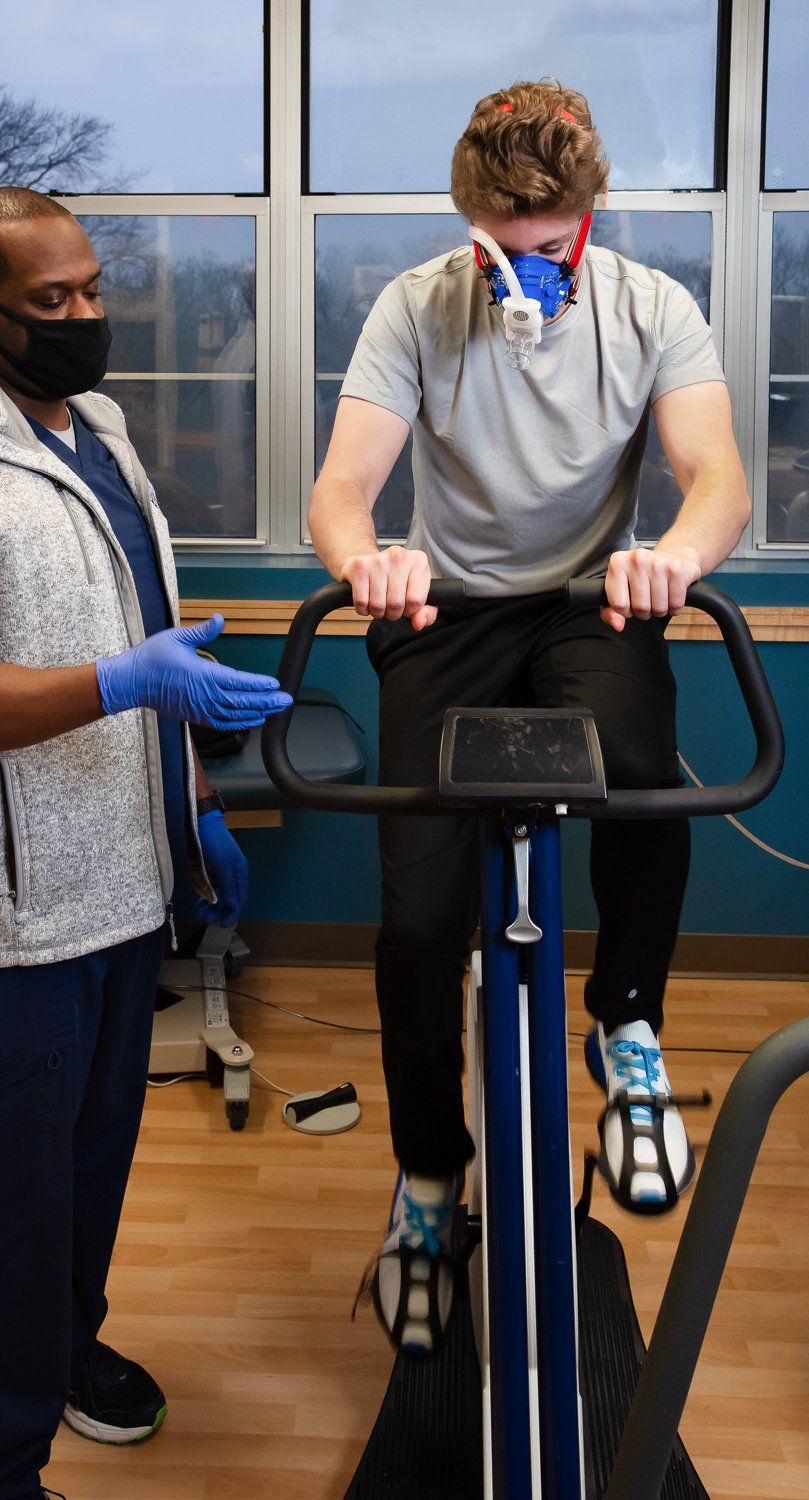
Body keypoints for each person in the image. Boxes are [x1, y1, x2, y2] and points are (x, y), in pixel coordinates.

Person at [0, 186, 290, 1499]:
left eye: (93, 288)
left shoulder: (101, 434)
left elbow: (141, 634)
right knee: (5, 1218)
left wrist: (194, 806)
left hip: (123, 887)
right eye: (54, 300)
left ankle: (65, 1352)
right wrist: (123, 682)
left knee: (87, 1181)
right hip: (9, 919)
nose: (87, 315)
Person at [309, 81, 751, 1355]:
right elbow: (341, 488)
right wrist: (364, 558)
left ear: (587, 219)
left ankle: (625, 1024)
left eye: (545, 245)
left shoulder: (650, 307)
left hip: (587, 603)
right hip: (444, 609)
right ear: (467, 227)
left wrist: (673, 557)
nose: (520, 272)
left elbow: (715, 475)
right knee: (416, 917)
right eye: (495, 247)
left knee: (642, 772)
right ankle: (428, 1176)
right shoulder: (413, 307)